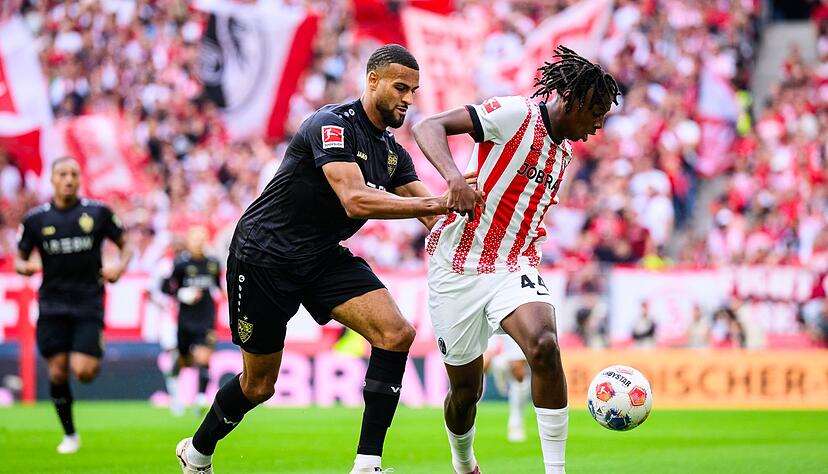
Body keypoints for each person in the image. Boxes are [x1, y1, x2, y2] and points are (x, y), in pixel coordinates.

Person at [175, 44, 482, 474]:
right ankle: (198, 452)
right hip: (263, 258)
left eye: (414, 91)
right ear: (372, 81)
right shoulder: (331, 125)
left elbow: (431, 214)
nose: (409, 99)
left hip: (320, 258)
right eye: (400, 87)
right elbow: (356, 201)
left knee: (395, 333)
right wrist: (442, 200)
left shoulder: (393, 152)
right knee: (259, 385)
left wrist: (485, 226)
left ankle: (367, 464)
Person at [412, 45, 619, 474]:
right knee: (466, 392)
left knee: (544, 346)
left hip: (514, 265)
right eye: (596, 113)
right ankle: (463, 460)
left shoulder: (563, 154)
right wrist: (454, 179)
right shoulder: (513, 114)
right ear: (573, 99)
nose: (597, 126)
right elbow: (428, 125)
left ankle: (556, 470)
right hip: (456, 267)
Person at [15, 156, 132, 454]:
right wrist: (24, 266)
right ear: (52, 180)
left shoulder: (98, 212)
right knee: (56, 373)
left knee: (84, 372)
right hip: (52, 303)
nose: (68, 179)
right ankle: (69, 435)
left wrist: (118, 267)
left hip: (88, 301)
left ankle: (96, 342)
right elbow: (20, 256)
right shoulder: (35, 220)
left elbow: (125, 245)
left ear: (79, 179)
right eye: (62, 174)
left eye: (73, 174)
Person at [162, 226, 222, 416]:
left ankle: (201, 400)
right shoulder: (180, 264)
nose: (199, 241)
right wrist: (182, 293)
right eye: (195, 238)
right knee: (184, 360)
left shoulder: (213, 263)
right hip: (186, 320)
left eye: (202, 237)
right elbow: (167, 287)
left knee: (204, 357)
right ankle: (174, 396)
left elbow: (218, 287)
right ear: (188, 241)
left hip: (206, 319)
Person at [483, 335, 530, 443]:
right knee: (485, 364)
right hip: (492, 324)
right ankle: (500, 373)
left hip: (513, 328)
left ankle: (516, 422)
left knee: (518, 370)